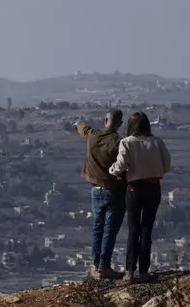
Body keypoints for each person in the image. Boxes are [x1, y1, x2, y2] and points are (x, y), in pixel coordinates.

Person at [109, 111, 171, 284]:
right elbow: (167, 165)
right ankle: (144, 271)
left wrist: (111, 171)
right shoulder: (157, 142)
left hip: (134, 188)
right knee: (147, 228)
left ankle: (130, 271)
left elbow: (120, 166)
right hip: (153, 187)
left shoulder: (126, 142)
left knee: (133, 229)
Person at [73, 109, 126, 280]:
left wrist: (77, 123)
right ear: (119, 123)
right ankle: (104, 267)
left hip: (95, 190)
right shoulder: (119, 142)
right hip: (114, 190)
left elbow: (82, 128)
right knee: (110, 230)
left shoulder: (93, 136)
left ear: (105, 120)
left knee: (98, 228)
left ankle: (97, 267)